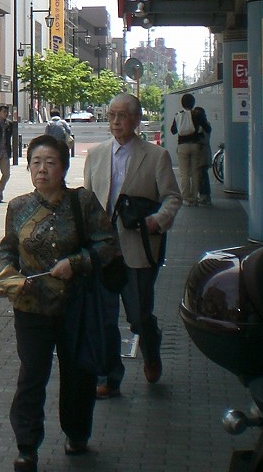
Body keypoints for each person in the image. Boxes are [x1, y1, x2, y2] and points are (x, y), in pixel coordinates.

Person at [1, 133, 118, 471]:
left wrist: (77, 263)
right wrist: (7, 272)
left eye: (50, 163)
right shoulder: (19, 207)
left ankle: (77, 433)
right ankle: (27, 446)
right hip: (31, 307)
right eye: (36, 162)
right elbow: (8, 247)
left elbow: (107, 242)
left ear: (64, 167)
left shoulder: (82, 203)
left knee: (78, 373)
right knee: (32, 375)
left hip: (76, 306)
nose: (42, 170)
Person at [83, 92, 182, 397]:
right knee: (104, 317)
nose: (115, 122)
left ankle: (150, 348)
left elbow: (172, 197)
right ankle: (109, 377)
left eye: (122, 116)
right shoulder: (96, 154)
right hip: (103, 251)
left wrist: (157, 221)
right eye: (111, 115)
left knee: (139, 315)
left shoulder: (155, 156)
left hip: (139, 248)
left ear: (137, 120)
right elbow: (88, 200)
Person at [169, 93, 211, 206]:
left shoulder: (178, 115)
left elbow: (173, 131)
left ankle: (186, 198)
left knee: (184, 173)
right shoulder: (197, 114)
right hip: (195, 145)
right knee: (195, 172)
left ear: (182, 103)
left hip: (182, 145)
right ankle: (195, 198)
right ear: (193, 103)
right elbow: (208, 128)